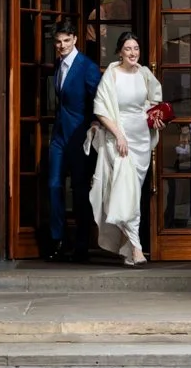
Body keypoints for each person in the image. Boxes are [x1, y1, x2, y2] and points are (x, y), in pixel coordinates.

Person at [85, 30, 163, 265]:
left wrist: (156, 118)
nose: (132, 53)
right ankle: (137, 249)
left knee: (133, 193)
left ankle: (128, 250)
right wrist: (119, 135)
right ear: (120, 51)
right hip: (120, 141)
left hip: (141, 141)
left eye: (136, 48)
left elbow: (153, 103)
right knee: (126, 193)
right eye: (128, 49)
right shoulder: (111, 74)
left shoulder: (144, 73)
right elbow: (100, 109)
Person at [47, 17, 101, 263]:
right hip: (59, 135)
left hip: (80, 136)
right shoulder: (58, 64)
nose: (62, 46)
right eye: (58, 42)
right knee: (53, 185)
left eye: (66, 41)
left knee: (79, 190)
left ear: (75, 39)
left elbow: (98, 98)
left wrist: (95, 123)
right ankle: (58, 239)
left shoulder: (87, 66)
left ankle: (81, 245)